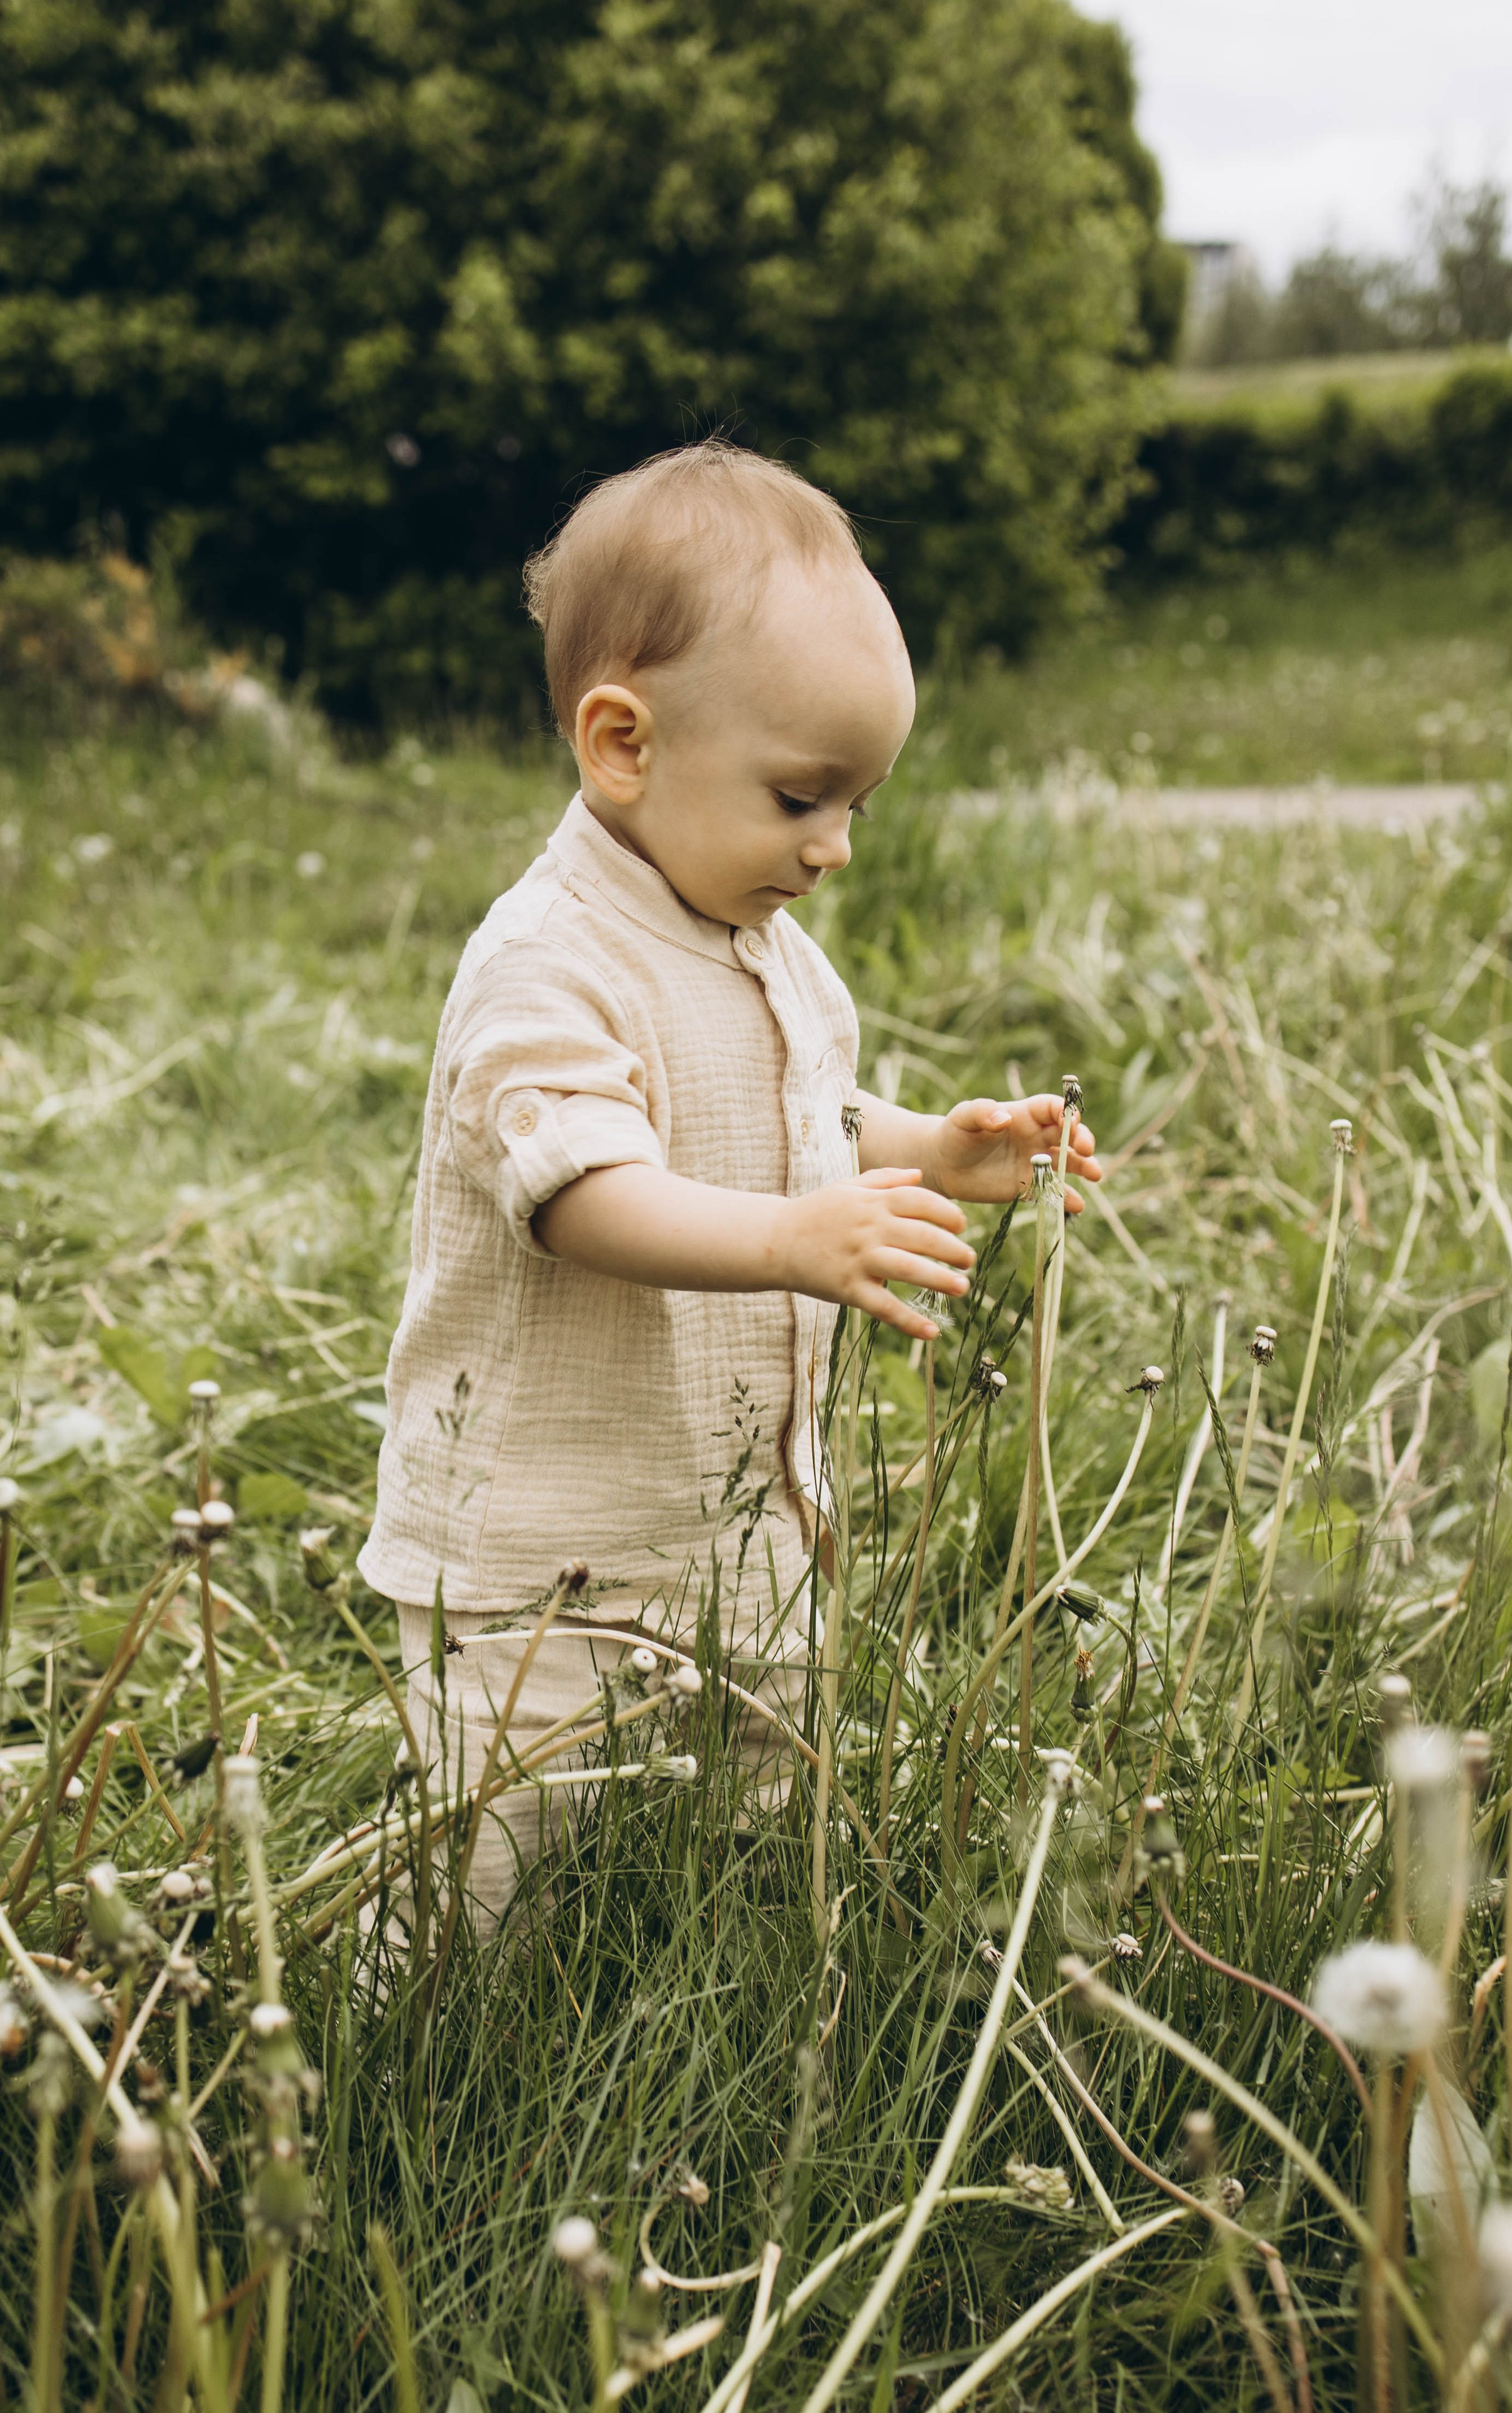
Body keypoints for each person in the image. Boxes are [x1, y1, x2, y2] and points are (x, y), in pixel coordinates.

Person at [357, 440, 1101, 1928]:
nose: (830, 849)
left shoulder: (761, 935)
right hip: (542, 1567)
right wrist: (785, 1237)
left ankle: (740, 2009)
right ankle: (414, 2046)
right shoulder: (543, 960)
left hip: (744, 1536)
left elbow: (798, 1112)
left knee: (761, 1841)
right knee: (496, 1871)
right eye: (798, 798)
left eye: (858, 809)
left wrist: (925, 1151)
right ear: (621, 744)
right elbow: (582, 1193)